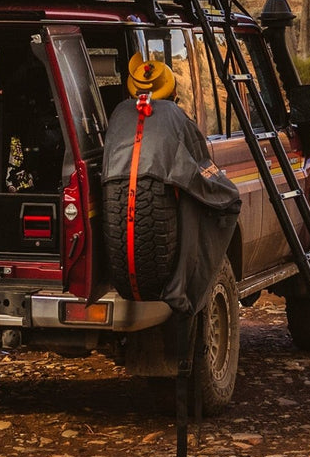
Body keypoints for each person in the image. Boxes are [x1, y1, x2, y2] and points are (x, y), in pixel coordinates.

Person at [102, 54, 241, 313]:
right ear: (173, 89)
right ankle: (184, 294)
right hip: (165, 223)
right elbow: (200, 163)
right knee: (222, 200)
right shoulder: (176, 115)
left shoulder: (119, 113)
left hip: (117, 240)